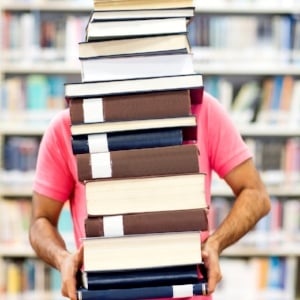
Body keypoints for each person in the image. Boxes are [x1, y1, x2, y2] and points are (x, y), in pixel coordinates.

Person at [29, 90, 271, 300]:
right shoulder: (65, 128)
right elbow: (41, 221)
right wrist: (63, 260)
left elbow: (256, 194)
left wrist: (215, 244)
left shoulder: (204, 111)